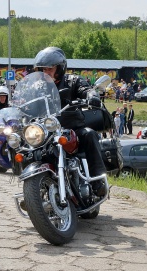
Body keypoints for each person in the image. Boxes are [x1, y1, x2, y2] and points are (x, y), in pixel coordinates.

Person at [33, 46, 107, 196]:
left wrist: (92, 96)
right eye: (43, 69)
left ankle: (97, 181)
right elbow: (26, 103)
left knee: (90, 134)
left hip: (72, 128)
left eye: (50, 69)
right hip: (47, 132)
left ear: (60, 68)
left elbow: (85, 90)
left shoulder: (73, 80)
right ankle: (33, 191)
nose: (46, 72)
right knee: (28, 147)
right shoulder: (37, 87)